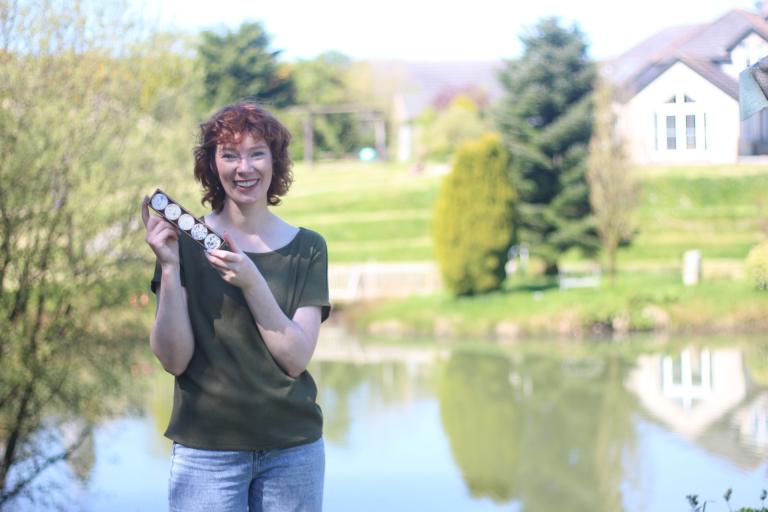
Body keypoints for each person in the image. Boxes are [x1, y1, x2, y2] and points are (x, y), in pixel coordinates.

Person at [141, 101, 330, 512]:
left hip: (291, 450)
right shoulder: (184, 244)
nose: (244, 168)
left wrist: (251, 282)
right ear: (213, 165)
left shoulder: (308, 249)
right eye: (229, 154)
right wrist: (171, 267)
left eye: (257, 153)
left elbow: (295, 358)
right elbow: (174, 360)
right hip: (206, 452)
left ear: (275, 162)